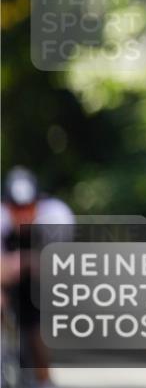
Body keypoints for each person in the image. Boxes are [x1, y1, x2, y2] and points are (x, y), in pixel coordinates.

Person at [1, 166, 75, 388]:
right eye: (16, 208)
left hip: (39, 282)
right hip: (7, 277)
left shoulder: (55, 215)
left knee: (39, 320)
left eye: (28, 207)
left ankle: (43, 377)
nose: (22, 214)